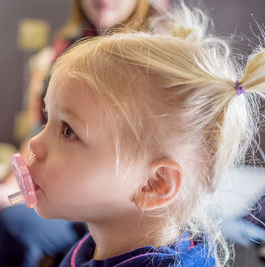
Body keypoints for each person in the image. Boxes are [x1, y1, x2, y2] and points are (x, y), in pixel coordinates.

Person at [26, 4, 265, 267]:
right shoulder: (96, 246)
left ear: (153, 184)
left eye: (69, 131)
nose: (34, 144)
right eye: (49, 119)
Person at [0, 1, 171, 266]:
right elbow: (38, 131)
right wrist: (12, 186)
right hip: (57, 180)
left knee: (12, 223)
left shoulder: (157, 62)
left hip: (101, 195)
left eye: (68, 130)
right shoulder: (63, 51)